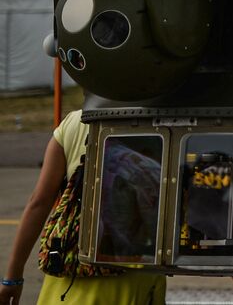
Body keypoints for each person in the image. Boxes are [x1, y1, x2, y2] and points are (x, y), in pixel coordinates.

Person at [2, 109, 166, 305]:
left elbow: (39, 202)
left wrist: (13, 277)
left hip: (72, 272)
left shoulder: (74, 123)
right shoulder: (161, 118)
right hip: (135, 272)